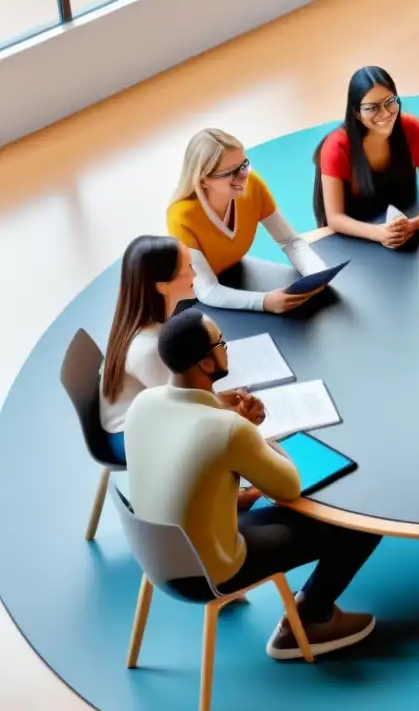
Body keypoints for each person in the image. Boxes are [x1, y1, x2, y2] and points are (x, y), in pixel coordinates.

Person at [124, 308, 383, 659]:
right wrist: (254, 431)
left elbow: (188, 439)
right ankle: (307, 620)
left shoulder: (143, 404)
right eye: (221, 342)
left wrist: (221, 410)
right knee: (362, 522)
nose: (226, 348)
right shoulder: (228, 430)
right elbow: (289, 487)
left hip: (157, 556)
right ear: (204, 363)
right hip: (211, 573)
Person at [99, 235, 263, 462]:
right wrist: (238, 417)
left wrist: (223, 401)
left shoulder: (149, 323)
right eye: (187, 268)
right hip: (135, 439)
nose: (195, 274)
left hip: (156, 416)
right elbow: (188, 414)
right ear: (162, 285)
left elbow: (189, 399)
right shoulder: (148, 350)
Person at [167, 128, 328, 313]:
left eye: (244, 164)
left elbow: (290, 241)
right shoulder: (181, 217)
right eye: (230, 173)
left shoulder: (252, 184)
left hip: (234, 273)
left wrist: (316, 274)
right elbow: (207, 290)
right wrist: (264, 302)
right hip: (193, 297)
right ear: (204, 180)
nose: (243, 177)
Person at [313, 66, 419, 246]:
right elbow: (335, 218)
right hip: (352, 240)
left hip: (402, 229)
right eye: (372, 108)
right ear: (356, 112)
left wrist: (412, 226)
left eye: (390, 101)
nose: (385, 113)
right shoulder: (336, 147)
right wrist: (378, 233)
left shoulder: (412, 129)